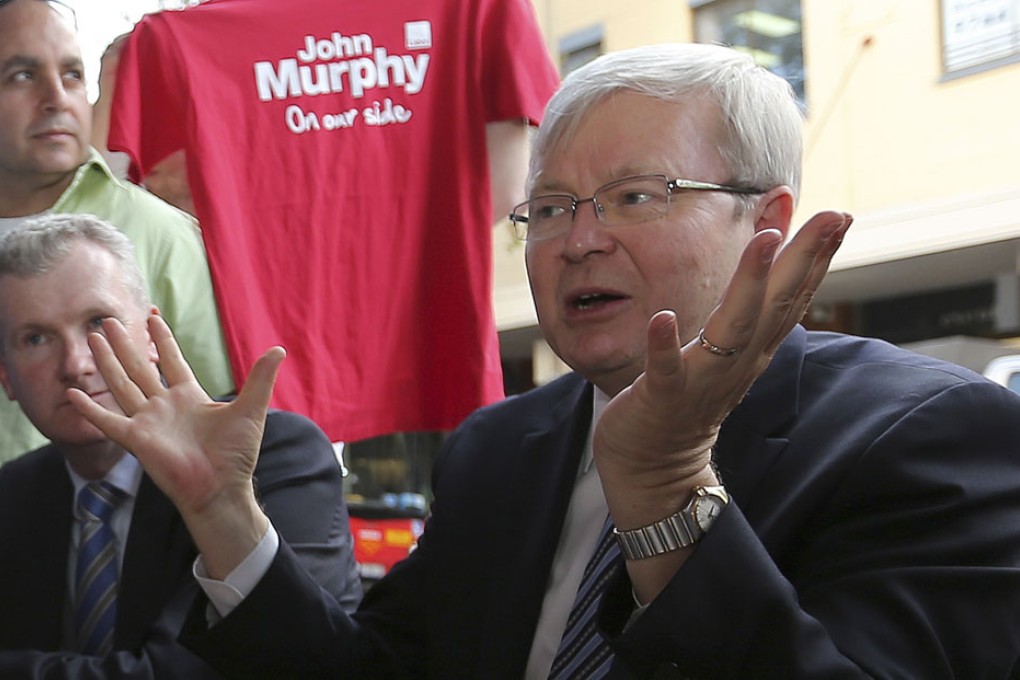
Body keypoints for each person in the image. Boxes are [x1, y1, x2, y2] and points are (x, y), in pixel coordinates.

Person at [72, 43, 1020, 678]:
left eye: (636, 197)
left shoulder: (933, 435)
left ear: (764, 221)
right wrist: (224, 516)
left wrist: (664, 497)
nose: (577, 241)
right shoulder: (502, 447)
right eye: (551, 208)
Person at [104, 0, 560, 445]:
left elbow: (150, 204)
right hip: (434, 346)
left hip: (276, 372)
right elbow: (507, 190)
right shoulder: (477, 8)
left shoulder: (179, 39)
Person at [0, 214, 361, 676]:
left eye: (98, 323)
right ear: (6, 375)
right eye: (36, 338)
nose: (75, 363)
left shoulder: (267, 457)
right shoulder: (13, 494)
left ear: (153, 337)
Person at [0, 0, 233, 464]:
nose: (56, 97)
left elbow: (223, 409)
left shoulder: (161, 233)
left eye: (72, 75)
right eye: (23, 76)